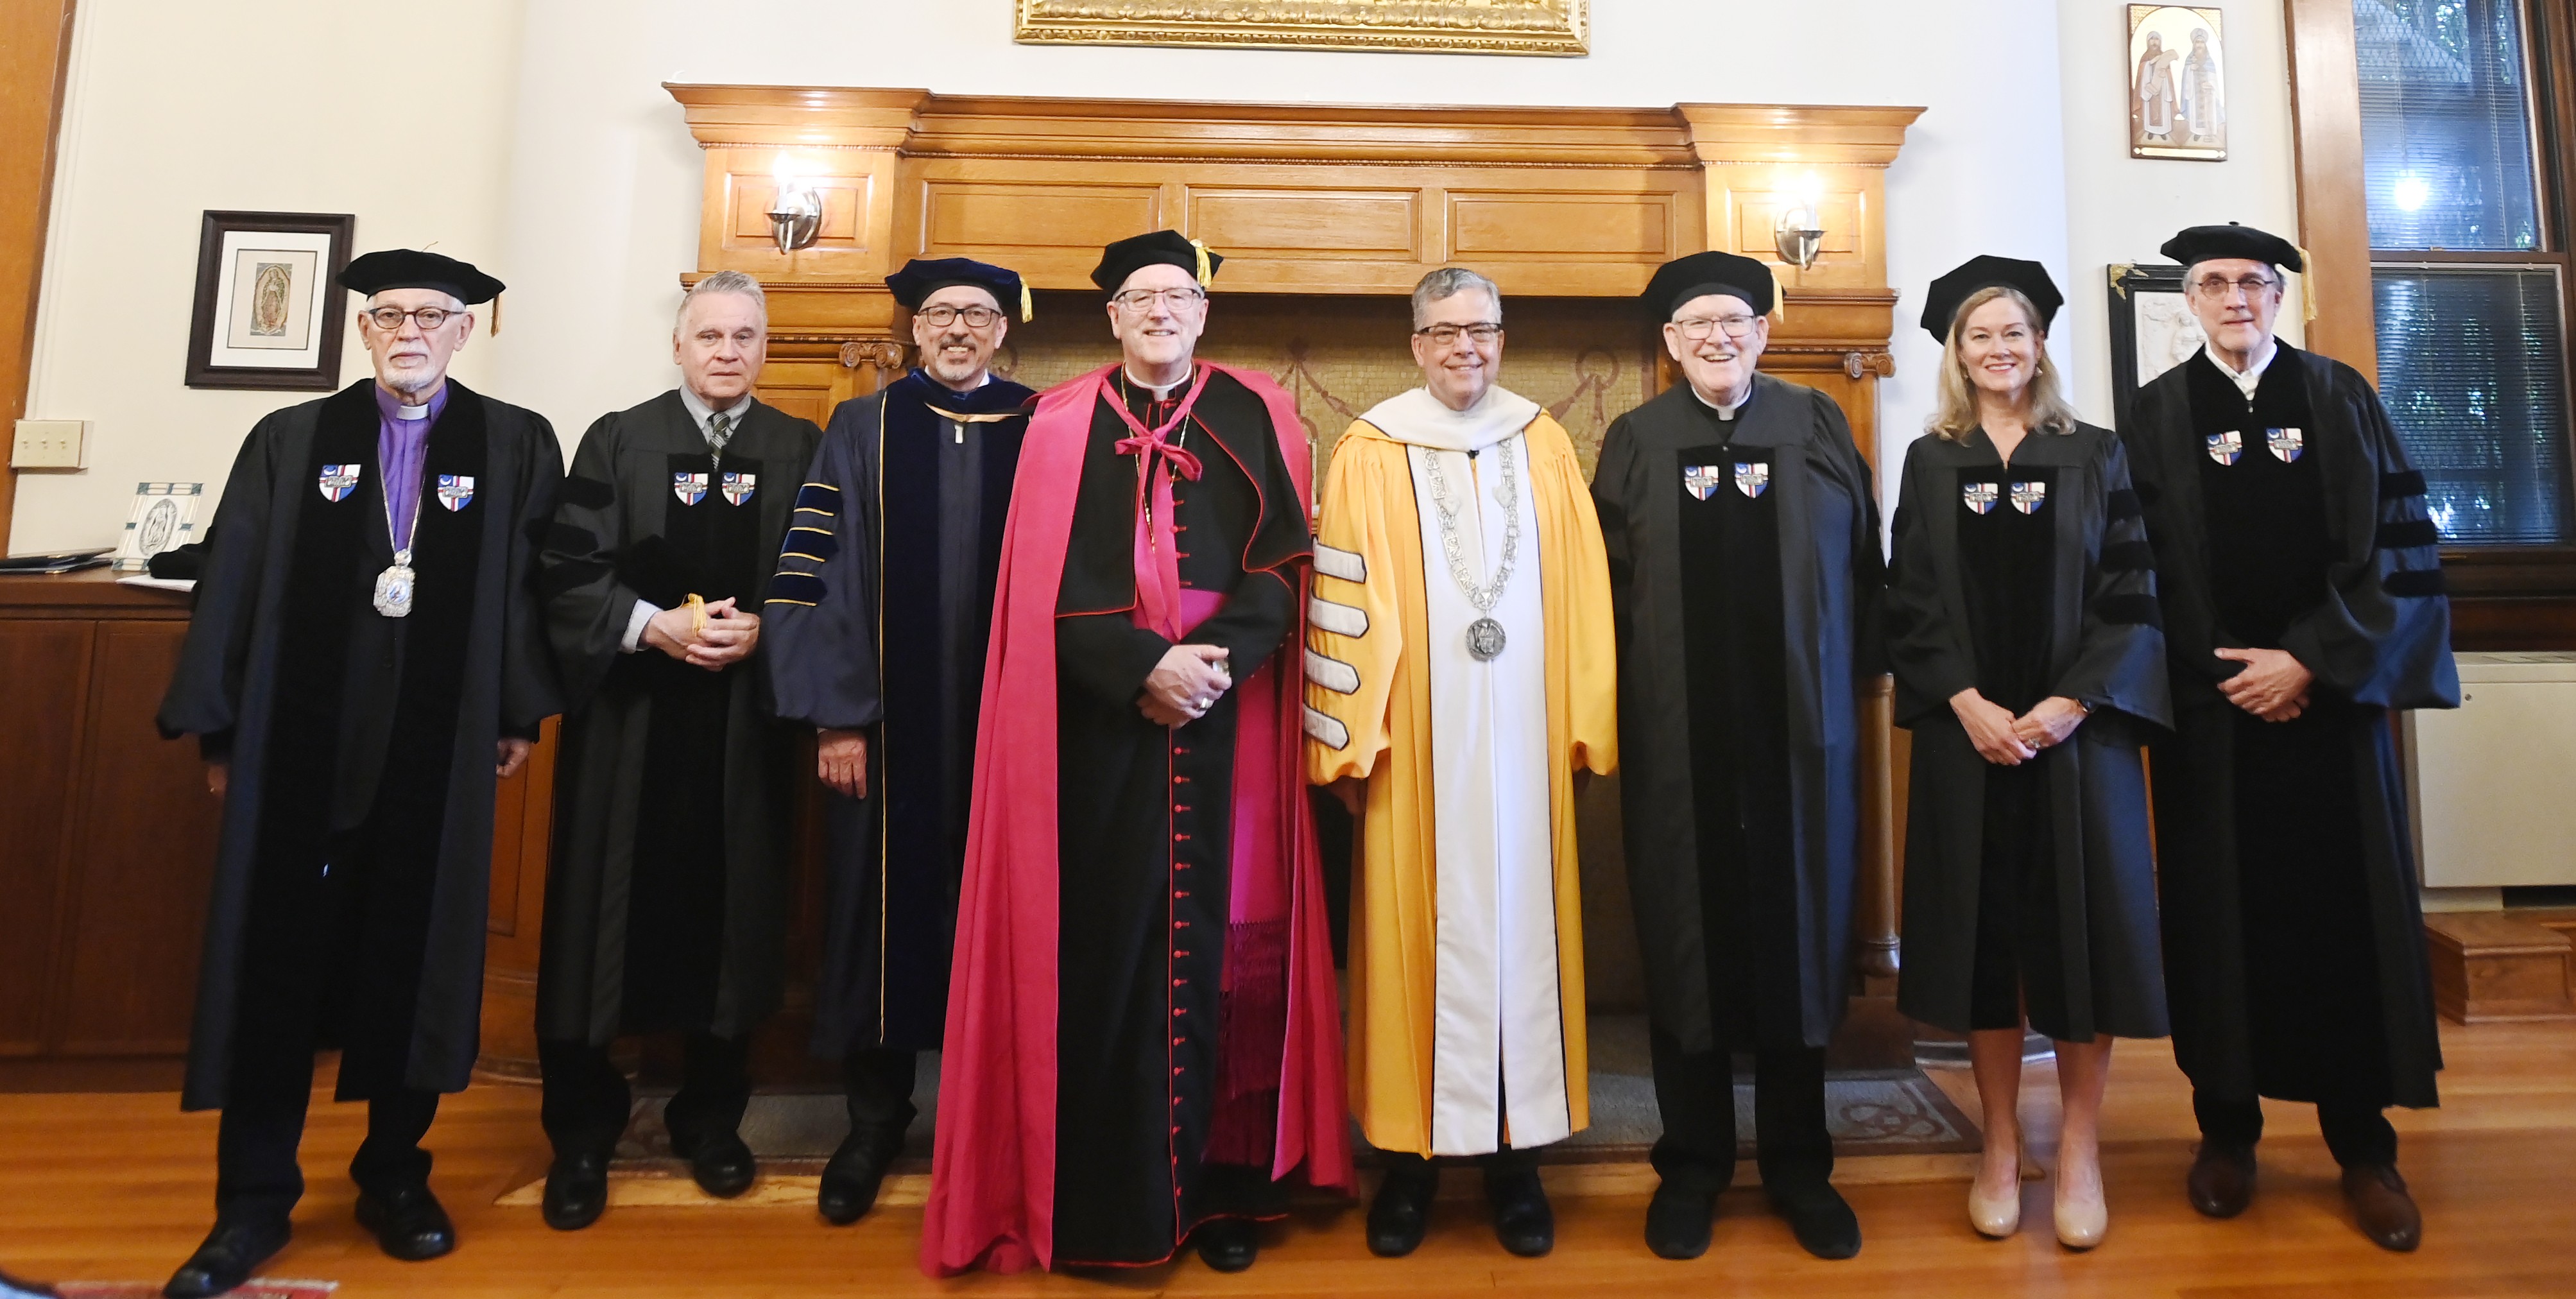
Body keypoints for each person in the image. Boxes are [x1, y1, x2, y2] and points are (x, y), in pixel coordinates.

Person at [922, 230, 1352, 1276]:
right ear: (1109, 316)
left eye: (1175, 294)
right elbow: (1037, 588)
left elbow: (1285, 561)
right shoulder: (1060, 422)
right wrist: (1139, 669)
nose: (1158, 310)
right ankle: (1110, 1204)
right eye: (1136, 297)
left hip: (1229, 718)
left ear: (1203, 311)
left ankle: (1222, 1195)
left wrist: (1212, 666)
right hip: (1099, 730)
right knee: (1105, 959)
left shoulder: (1257, 411)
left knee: (1228, 960)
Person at [153, 249, 561, 1297]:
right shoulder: (294, 439)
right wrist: (222, 733)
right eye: (388, 317)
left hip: (441, 740)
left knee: (416, 948)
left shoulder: (512, 443)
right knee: (273, 953)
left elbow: (527, 587)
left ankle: (393, 1175)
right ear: (365, 330)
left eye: (432, 316)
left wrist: (519, 709)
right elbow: (232, 575)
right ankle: (249, 1204)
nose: (410, 332)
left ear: (466, 331)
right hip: (303, 741)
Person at [2122, 223, 2457, 1252]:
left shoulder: (2338, 395)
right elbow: (2135, 573)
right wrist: (2228, 673)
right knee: (2221, 917)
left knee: (2341, 915)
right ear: (2189, 301)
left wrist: (2306, 659)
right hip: (2214, 720)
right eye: (2212, 284)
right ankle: (2225, 1133)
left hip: (2330, 713)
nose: (2233, 299)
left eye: (2251, 283)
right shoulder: (2154, 414)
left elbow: (2395, 549)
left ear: (2277, 296)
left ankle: (2362, 1146)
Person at [1305, 267, 1617, 1260]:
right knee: (1410, 937)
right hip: (1416, 741)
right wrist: (1353, 740)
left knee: (1525, 930)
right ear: (1414, 344)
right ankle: (1408, 1160)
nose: (1463, 350)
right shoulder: (1368, 448)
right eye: (1442, 333)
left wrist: (1582, 718)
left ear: (1501, 336)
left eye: (1479, 330)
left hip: (1523, 735)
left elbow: (1581, 590)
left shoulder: (1544, 442)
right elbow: (1343, 600)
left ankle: (1517, 1159)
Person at [1591, 250, 1884, 1262]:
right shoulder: (1633, 441)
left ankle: (1801, 1165)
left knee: (1799, 936)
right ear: (1668, 344)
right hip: (1677, 739)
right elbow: (1602, 599)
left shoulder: (1814, 424)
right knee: (1687, 938)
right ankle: (1694, 1164)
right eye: (1693, 326)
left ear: (1765, 328)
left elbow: (1866, 566)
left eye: (1733, 320)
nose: (1715, 338)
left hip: (1802, 737)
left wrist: (1853, 693)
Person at [1886, 257, 2172, 1250]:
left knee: (2077, 945)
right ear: (1956, 356)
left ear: (2039, 344)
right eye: (1978, 337)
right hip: (1970, 745)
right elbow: (1908, 600)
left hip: (2073, 745)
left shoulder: (2094, 455)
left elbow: (2130, 596)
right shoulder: (1931, 463)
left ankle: (2081, 1148)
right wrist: (1965, 702)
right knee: (1985, 949)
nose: (1998, 350)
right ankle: (2000, 1143)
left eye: (2013, 333)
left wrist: (2065, 705)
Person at [532, 270, 821, 1230]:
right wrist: (649, 627)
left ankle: (712, 1123)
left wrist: (768, 633)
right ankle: (581, 1135)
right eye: (711, 335)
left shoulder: (799, 448)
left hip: (746, 730)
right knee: (595, 922)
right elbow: (569, 569)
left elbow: (825, 578)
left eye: (746, 336)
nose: (728, 351)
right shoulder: (618, 438)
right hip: (629, 727)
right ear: (679, 345)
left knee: (735, 916)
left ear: (765, 348)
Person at [764, 257, 1038, 1225]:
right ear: (913, 331)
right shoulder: (863, 426)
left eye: (977, 314)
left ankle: (997, 1121)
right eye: (939, 315)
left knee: (1009, 918)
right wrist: (839, 714)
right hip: (890, 729)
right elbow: (814, 571)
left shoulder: (1046, 427)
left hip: (1018, 737)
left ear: (1005, 330)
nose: (958, 329)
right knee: (877, 915)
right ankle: (874, 1122)